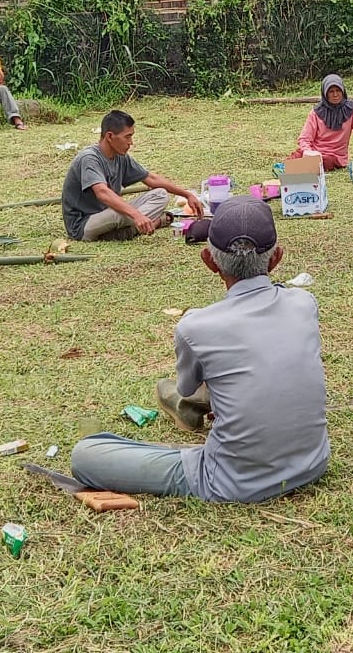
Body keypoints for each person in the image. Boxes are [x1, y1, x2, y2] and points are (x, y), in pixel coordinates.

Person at [69, 196, 330, 502]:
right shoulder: (304, 303)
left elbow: (188, 388)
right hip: (312, 464)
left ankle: (193, 450)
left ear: (208, 260)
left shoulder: (196, 327)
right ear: (276, 258)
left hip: (231, 481)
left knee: (86, 454)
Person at [63, 109, 204, 241]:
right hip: (84, 225)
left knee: (161, 195)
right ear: (110, 136)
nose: (131, 143)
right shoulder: (89, 158)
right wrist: (136, 215)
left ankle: (127, 230)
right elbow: (102, 193)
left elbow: (151, 179)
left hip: (110, 214)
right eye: (127, 137)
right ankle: (145, 225)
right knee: (121, 212)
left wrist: (187, 195)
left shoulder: (120, 156)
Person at [289, 74, 353, 171]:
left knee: (325, 161)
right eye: (331, 91)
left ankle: (301, 168)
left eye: (338, 91)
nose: (335, 95)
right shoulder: (317, 112)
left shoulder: (352, 109)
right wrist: (307, 151)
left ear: (343, 91)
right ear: (325, 94)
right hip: (314, 153)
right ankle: (291, 169)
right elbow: (304, 138)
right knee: (296, 156)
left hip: (335, 156)